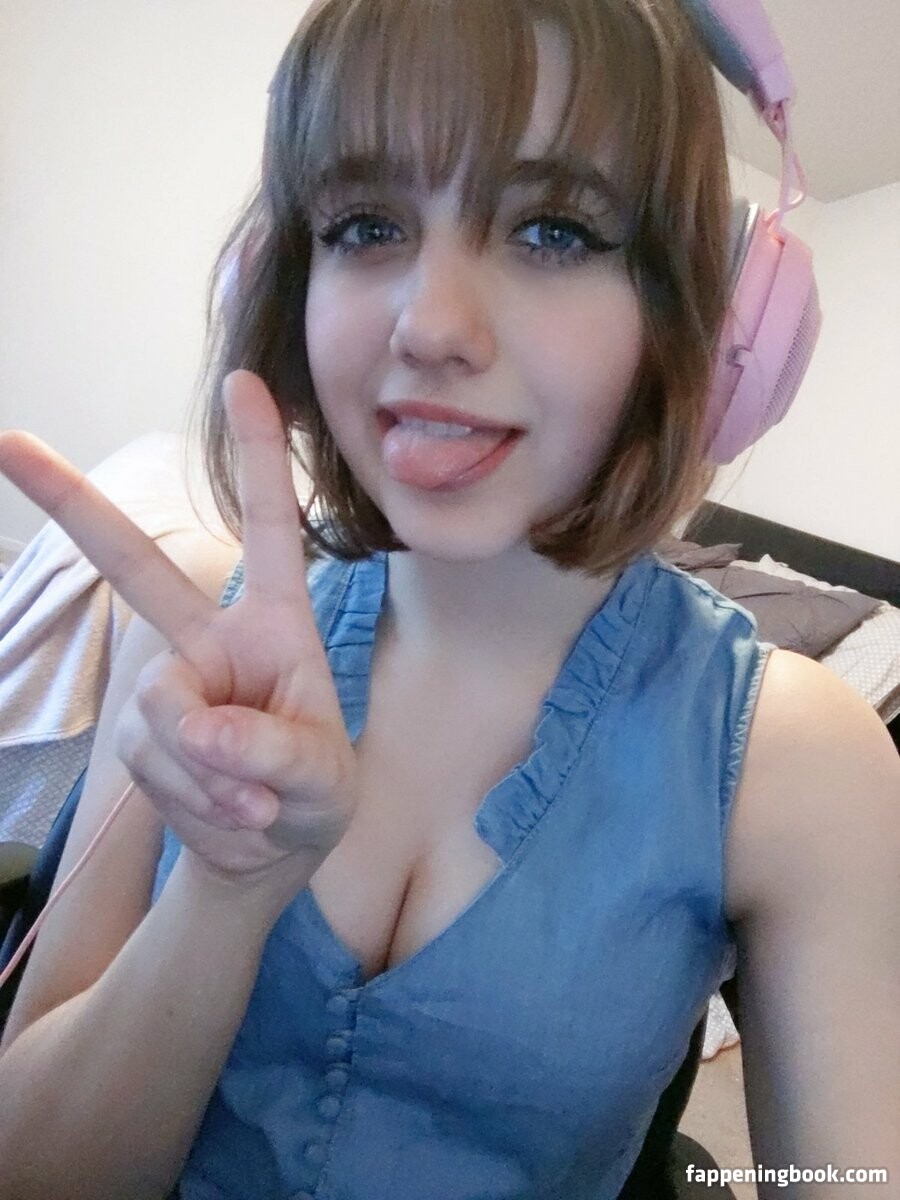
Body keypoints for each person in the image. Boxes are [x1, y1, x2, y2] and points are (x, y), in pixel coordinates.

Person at [0, 1, 897, 1197]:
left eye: (554, 230)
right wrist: (222, 891)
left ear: (707, 316)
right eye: (366, 225)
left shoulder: (799, 759)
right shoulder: (204, 636)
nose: (429, 328)